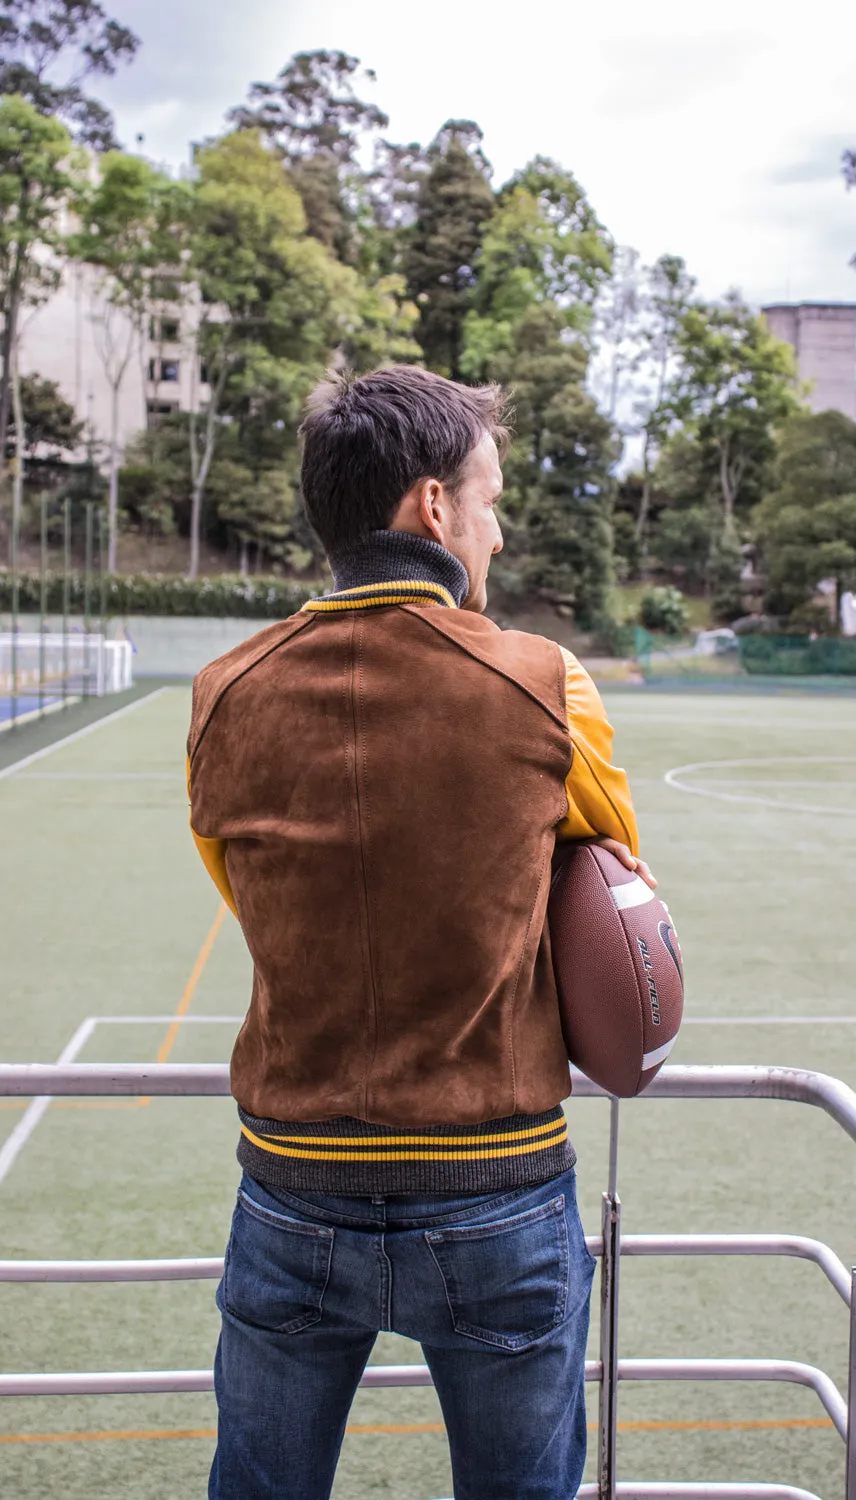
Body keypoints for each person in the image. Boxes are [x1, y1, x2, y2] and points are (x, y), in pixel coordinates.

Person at [187, 365, 654, 1500]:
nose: (495, 532)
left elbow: (243, 892)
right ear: (433, 509)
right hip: (494, 1183)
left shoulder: (222, 693)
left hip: (294, 1181)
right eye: (488, 501)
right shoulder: (543, 681)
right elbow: (620, 872)